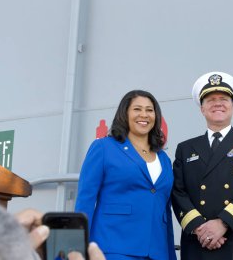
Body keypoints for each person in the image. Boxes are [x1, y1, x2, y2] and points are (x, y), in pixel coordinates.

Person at [172, 72, 233, 260]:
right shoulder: (185, 148)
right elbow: (178, 191)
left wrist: (223, 223)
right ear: (202, 108)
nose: (217, 103)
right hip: (197, 241)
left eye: (224, 99)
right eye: (210, 100)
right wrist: (200, 228)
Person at [75, 90, 177, 260]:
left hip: (158, 251)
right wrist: (78, 247)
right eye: (137, 109)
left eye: (150, 110)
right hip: (113, 247)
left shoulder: (164, 159)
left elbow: (164, 209)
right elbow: (85, 199)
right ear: (125, 114)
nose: (144, 115)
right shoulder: (103, 147)